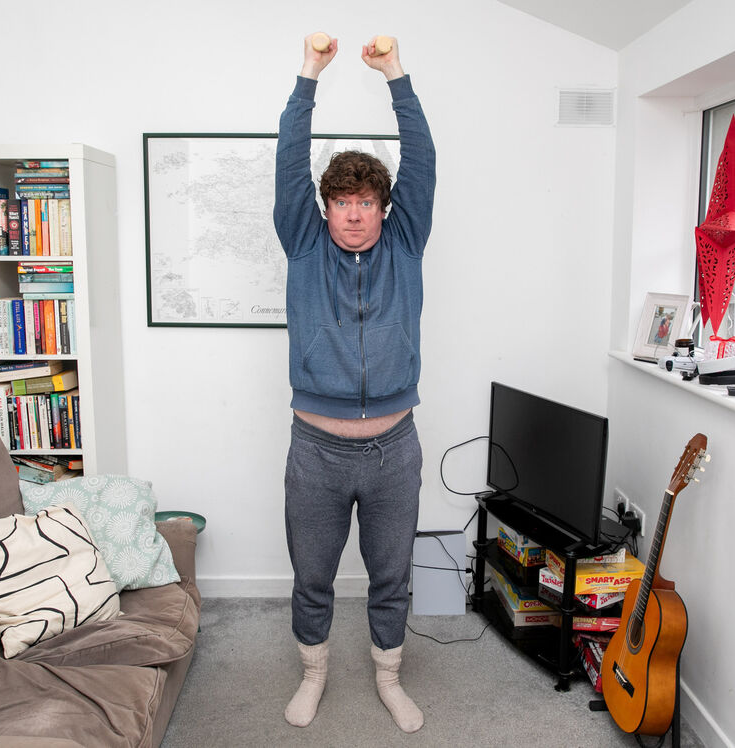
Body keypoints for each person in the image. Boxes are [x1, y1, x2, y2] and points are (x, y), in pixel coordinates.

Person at [272, 32, 436, 734]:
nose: (356, 214)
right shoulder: (303, 241)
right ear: (326, 207)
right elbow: (288, 159)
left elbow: (423, 159)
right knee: (312, 578)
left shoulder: (405, 241)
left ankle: (389, 680)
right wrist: (310, 74)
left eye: (368, 201)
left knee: (391, 577)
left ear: (384, 207)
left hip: (395, 449)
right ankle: (314, 676)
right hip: (316, 451)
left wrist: (394, 74)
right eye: (343, 202)